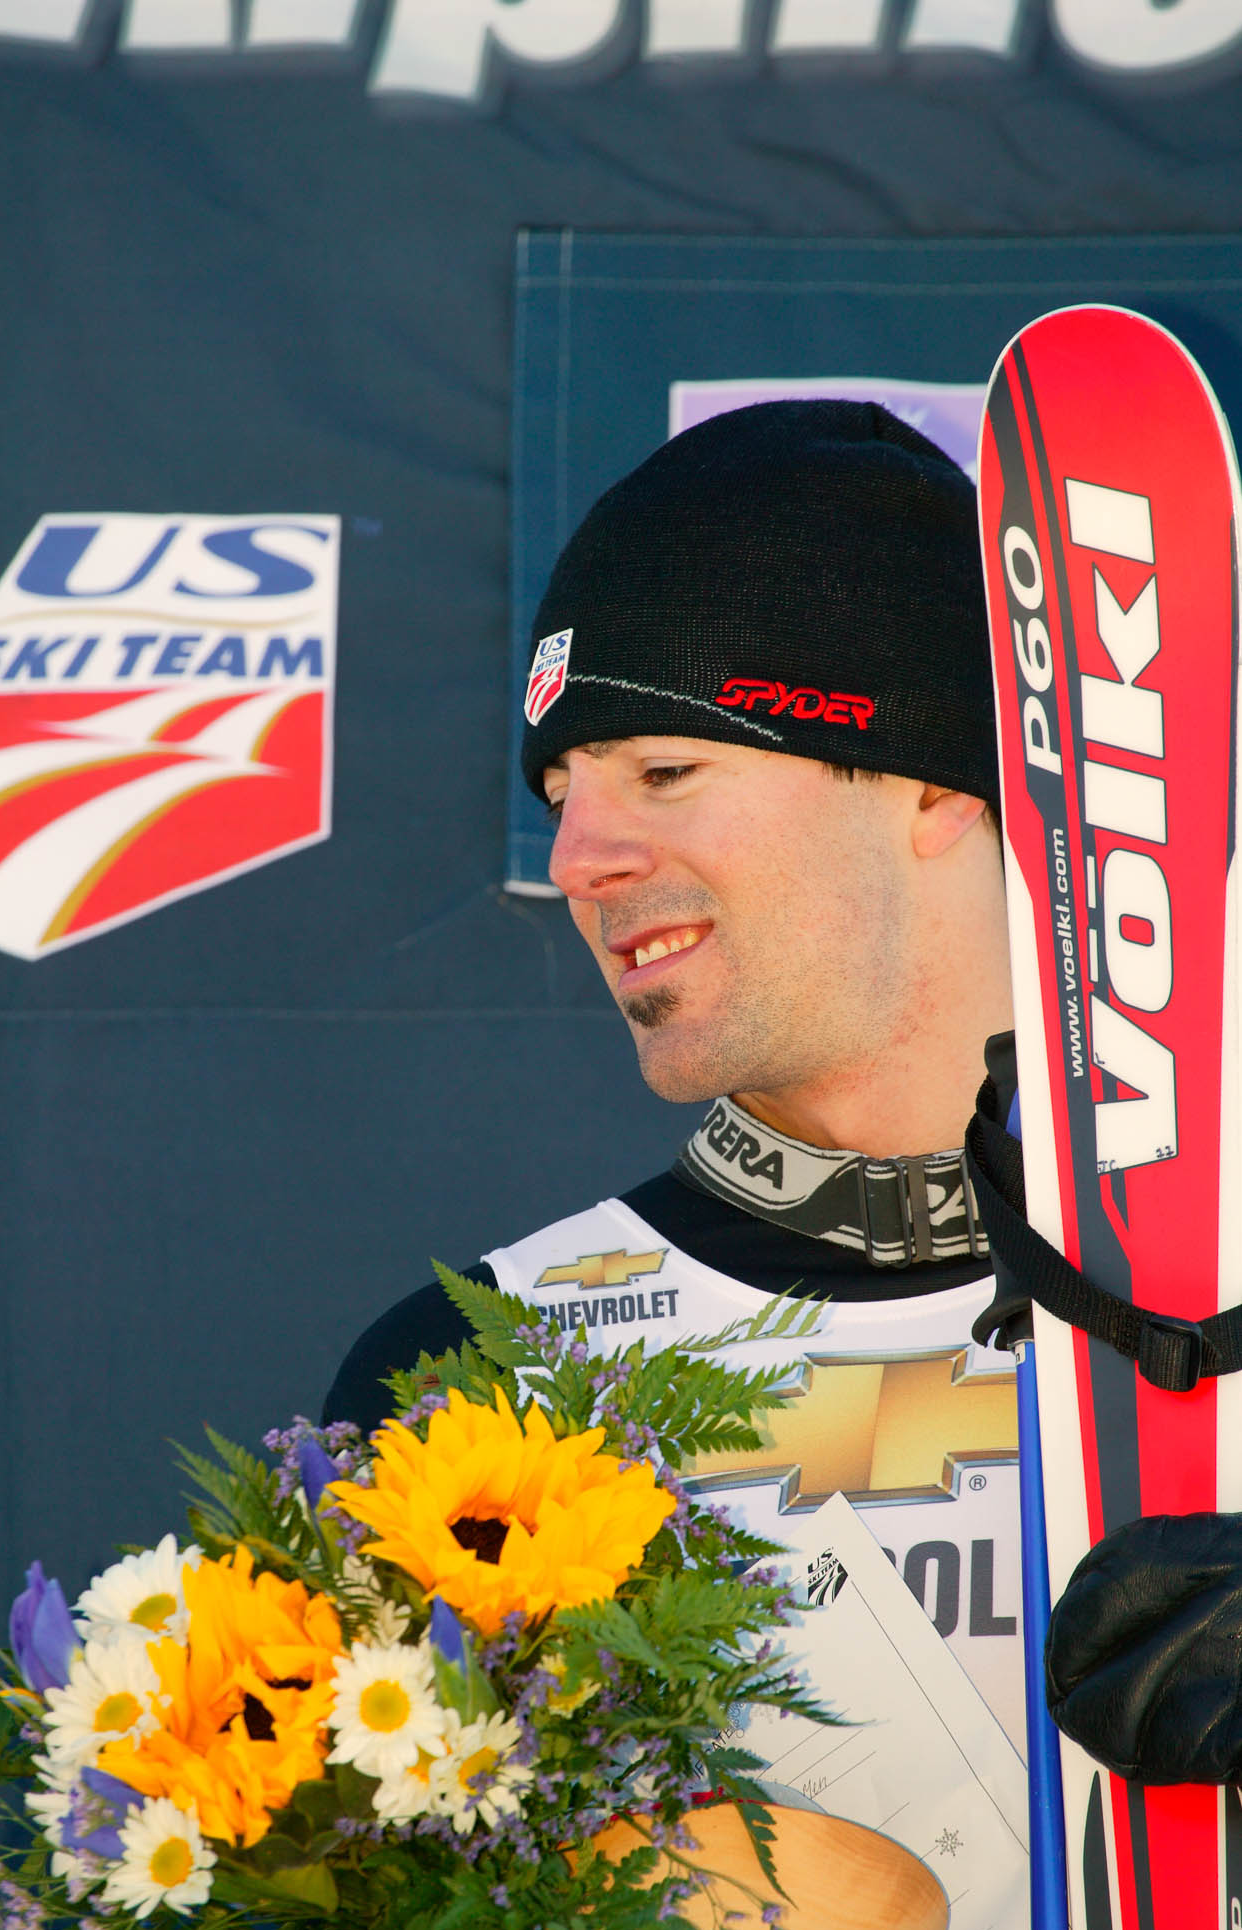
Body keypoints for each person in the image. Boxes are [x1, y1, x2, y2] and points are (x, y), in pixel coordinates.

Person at [324, 398, 1025, 1751]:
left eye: (663, 768)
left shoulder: (1207, 1305)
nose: (581, 862)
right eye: (564, 794)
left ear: (930, 785)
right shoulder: (476, 1375)